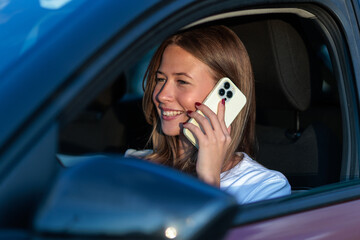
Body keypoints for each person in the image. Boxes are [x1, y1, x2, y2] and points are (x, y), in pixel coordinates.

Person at [125, 25, 291, 204]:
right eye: (160, 79)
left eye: (182, 81)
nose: (162, 95)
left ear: (223, 96)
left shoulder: (263, 187)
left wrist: (209, 180)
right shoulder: (133, 164)